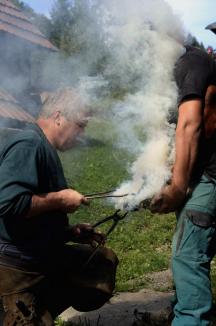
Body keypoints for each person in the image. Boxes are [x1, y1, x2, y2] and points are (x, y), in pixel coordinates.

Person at [0, 88, 118, 325]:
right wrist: (59, 199)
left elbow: (31, 214)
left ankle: (42, 307)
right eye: (81, 125)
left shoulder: (41, 145)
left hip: (36, 252)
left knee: (101, 262)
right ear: (58, 117)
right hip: (16, 264)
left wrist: (69, 232)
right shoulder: (29, 144)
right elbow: (7, 203)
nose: (82, 133)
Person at [150, 45, 216, 325]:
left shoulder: (193, 61)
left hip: (210, 178)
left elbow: (190, 125)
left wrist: (177, 188)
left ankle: (190, 317)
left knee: (188, 257)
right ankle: (181, 309)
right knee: (190, 248)